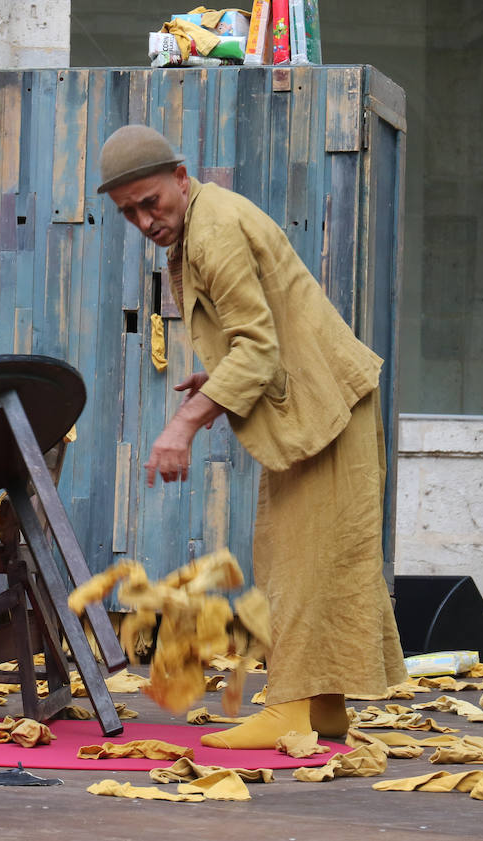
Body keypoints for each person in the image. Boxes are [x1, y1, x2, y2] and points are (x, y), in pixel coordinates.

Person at [96, 124, 408, 749]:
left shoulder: (211, 232)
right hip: (328, 404)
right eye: (128, 212)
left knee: (294, 564)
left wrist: (185, 425)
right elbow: (268, 331)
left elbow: (258, 349)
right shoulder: (206, 219)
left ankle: (289, 710)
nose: (144, 220)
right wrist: (216, 379)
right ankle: (323, 709)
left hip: (327, 410)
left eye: (150, 201)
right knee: (320, 560)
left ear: (181, 179)